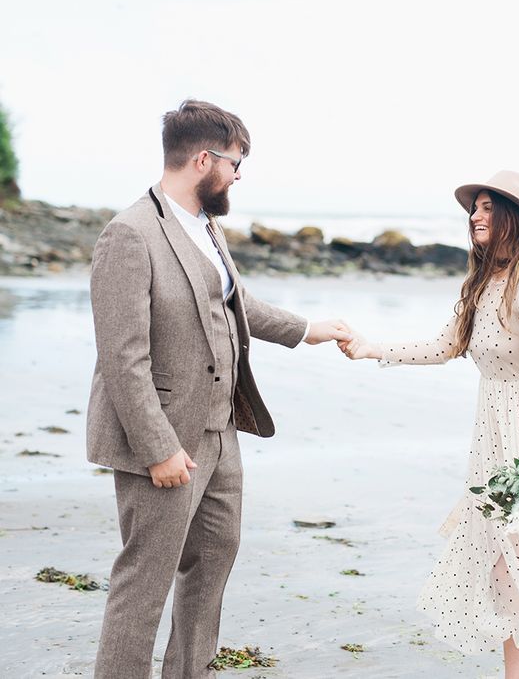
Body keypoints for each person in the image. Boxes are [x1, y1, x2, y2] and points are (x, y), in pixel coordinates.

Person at [86, 99, 350, 678]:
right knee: (144, 582)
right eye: (235, 163)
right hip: (164, 442)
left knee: (210, 569)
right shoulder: (128, 235)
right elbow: (122, 356)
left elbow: (234, 305)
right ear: (204, 158)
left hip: (221, 434)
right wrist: (158, 448)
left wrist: (308, 330)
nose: (237, 176)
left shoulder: (206, 227)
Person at [339, 171, 519, 679]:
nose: (475, 217)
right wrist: (374, 348)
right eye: (474, 209)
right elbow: (443, 347)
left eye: (486, 207)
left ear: (514, 219)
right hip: (490, 447)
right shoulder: (485, 285)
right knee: (505, 584)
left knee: (516, 579)